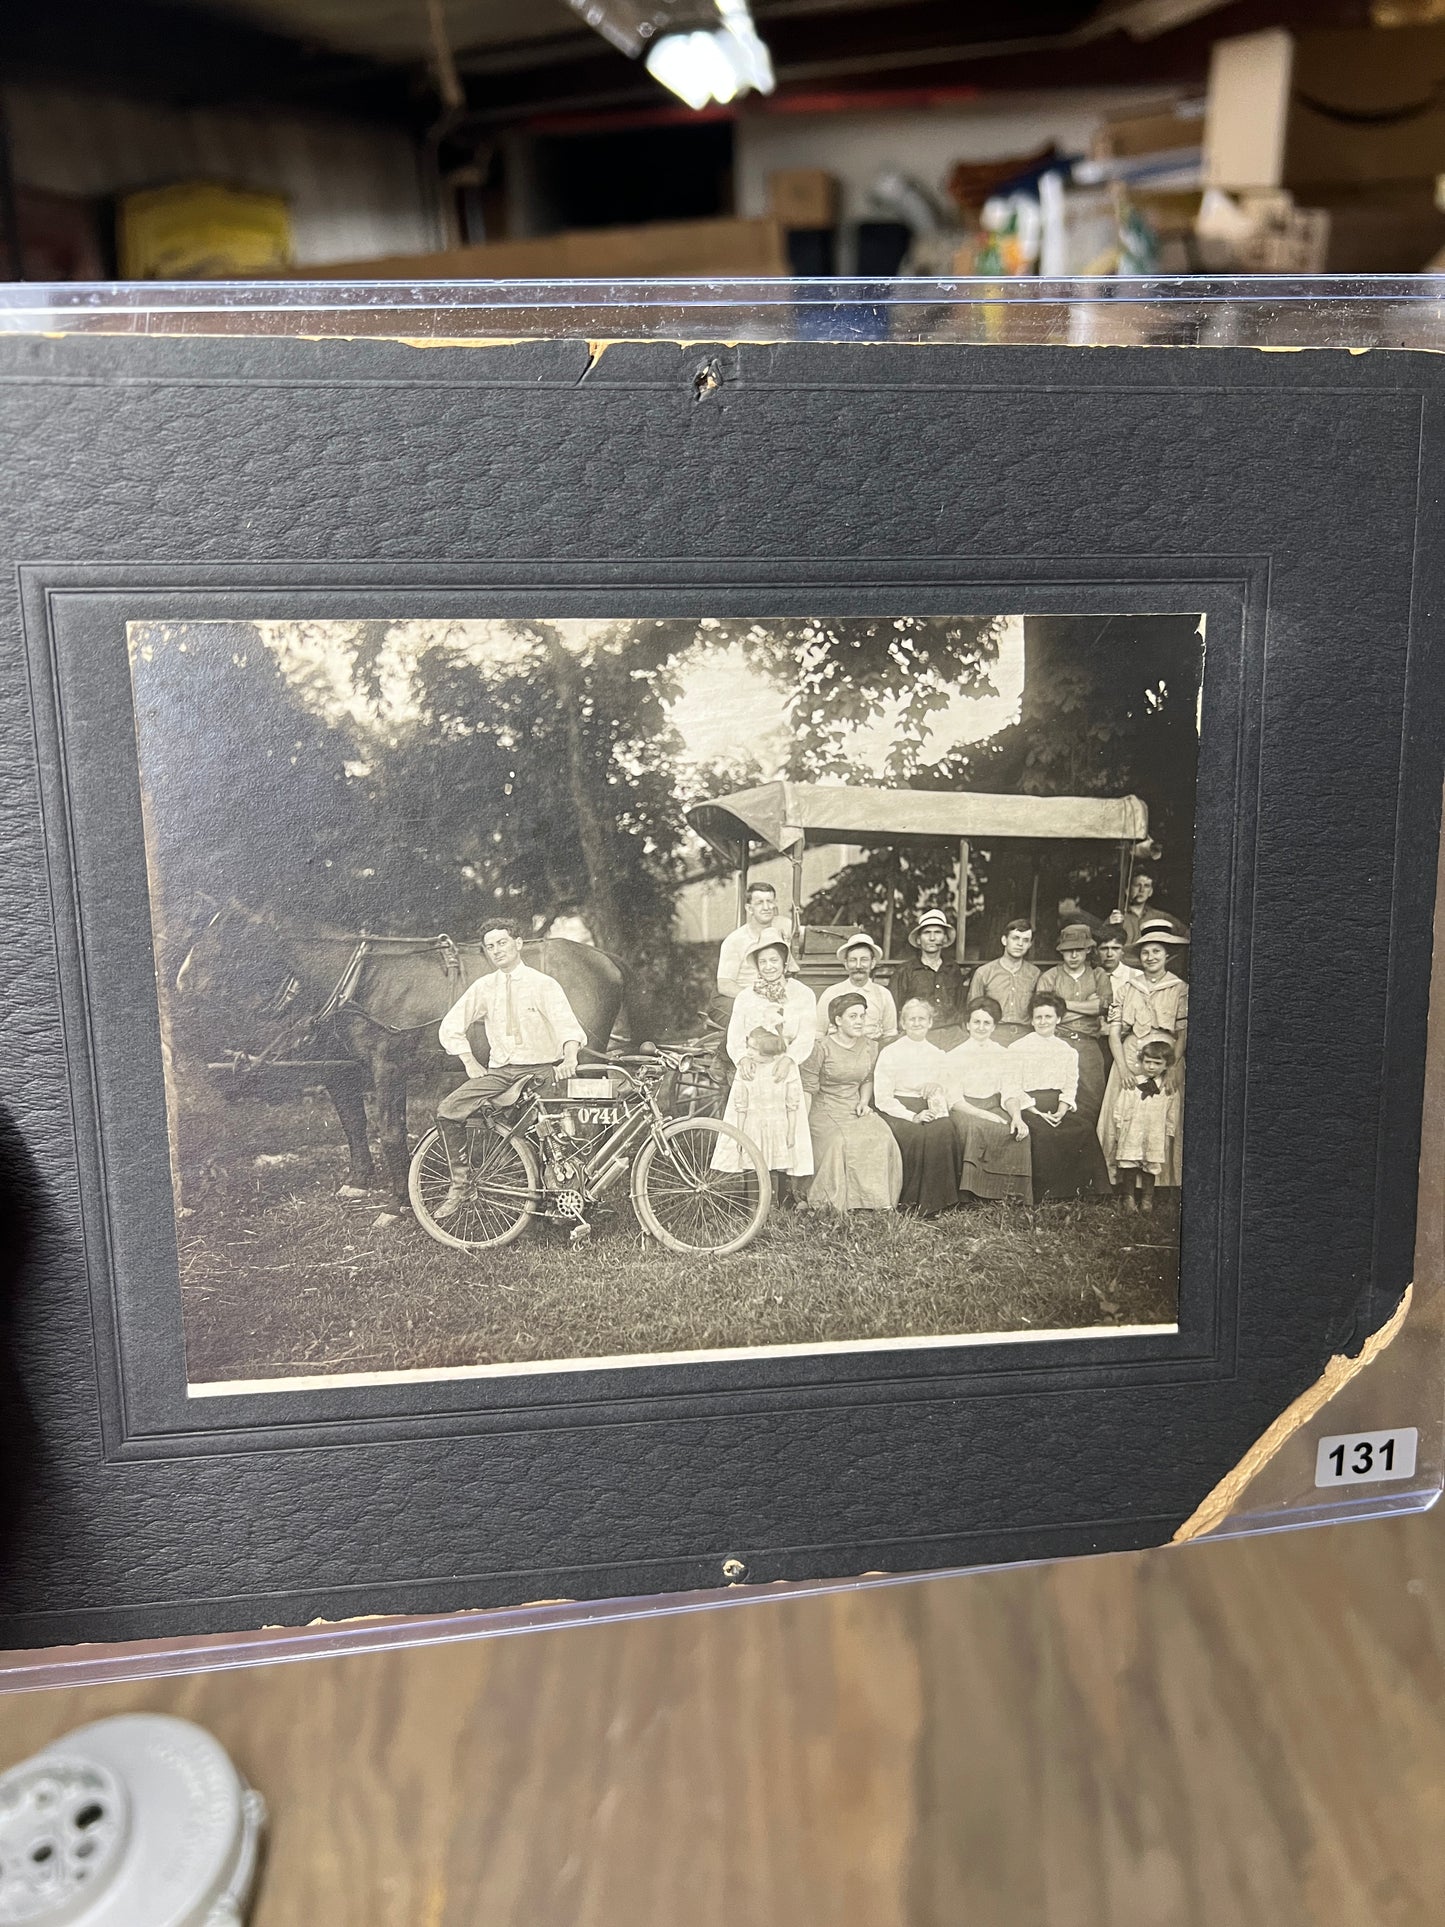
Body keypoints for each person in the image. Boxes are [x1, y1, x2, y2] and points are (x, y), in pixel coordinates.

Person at [435, 921, 587, 1217]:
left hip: (540, 1071)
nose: (496, 951)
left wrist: (569, 1058)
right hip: (501, 1074)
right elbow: (451, 1026)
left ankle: (555, 1205)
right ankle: (461, 1185)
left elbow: (568, 1026)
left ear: (518, 943)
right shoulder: (484, 987)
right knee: (448, 1108)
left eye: (502, 943)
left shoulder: (542, 983)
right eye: (490, 947)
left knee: (547, 1140)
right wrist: (469, 1062)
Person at [1099, 914, 1189, 1191]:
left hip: (1165, 1060)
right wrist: (1123, 1068)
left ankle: (1159, 1183)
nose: (1151, 957)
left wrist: (1173, 1067)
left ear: (1167, 955)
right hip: (1129, 1058)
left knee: (1160, 1116)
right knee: (1122, 1115)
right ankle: (1119, 1181)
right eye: (1146, 952)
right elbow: (1115, 1031)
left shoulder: (1179, 989)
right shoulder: (1128, 987)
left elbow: (1183, 1032)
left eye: (1157, 952)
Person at [799, 992, 902, 1212]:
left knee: (882, 1136)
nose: (859, 1021)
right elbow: (808, 1088)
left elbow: (867, 1078)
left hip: (855, 1105)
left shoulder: (870, 1046)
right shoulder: (819, 1048)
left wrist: (865, 1101)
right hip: (824, 1108)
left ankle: (877, 1201)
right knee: (840, 1141)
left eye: (862, 1016)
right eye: (853, 1016)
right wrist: (801, 1124)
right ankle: (836, 1201)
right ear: (838, 1020)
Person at [1004, 992, 1111, 1203]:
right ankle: (1050, 1195)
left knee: (1083, 1128)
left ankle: (1086, 1192)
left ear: (1058, 1019)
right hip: (1029, 1105)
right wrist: (1036, 1111)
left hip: (1057, 1105)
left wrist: (1062, 1110)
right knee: (1044, 1133)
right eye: (1039, 1017)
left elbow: (1070, 1086)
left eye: (1048, 1017)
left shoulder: (1067, 1051)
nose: (1043, 1022)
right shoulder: (1017, 1048)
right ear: (1032, 1020)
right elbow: (1012, 1087)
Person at [873, 999, 961, 1216]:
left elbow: (950, 1089)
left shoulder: (937, 1054)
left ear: (930, 1023)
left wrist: (937, 1085)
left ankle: (940, 1201)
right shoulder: (891, 1052)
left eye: (922, 1019)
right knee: (916, 1135)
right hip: (898, 1109)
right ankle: (911, 1203)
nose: (917, 1023)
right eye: (911, 1019)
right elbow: (882, 1098)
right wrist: (911, 1115)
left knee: (945, 1129)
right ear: (903, 1023)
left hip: (929, 1107)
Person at [943, 996, 1032, 1204]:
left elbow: (1010, 1091)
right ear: (967, 1024)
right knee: (977, 1129)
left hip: (994, 1105)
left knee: (1016, 1131)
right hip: (965, 1109)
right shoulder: (954, 1056)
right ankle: (973, 1194)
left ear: (994, 1026)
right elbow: (954, 1100)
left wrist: (1017, 1118)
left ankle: (1009, 1194)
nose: (981, 1027)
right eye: (976, 1022)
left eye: (987, 1023)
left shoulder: (1003, 1054)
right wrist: (984, 1114)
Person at [712, 1023, 813, 1198]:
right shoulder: (747, 1071)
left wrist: (790, 1133)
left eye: (753, 1049)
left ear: (768, 1052)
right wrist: (740, 1134)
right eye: (748, 1047)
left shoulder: (784, 1071)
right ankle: (754, 1206)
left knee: (775, 1164)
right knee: (752, 1166)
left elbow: (792, 1107)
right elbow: (741, 1108)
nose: (748, 1052)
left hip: (777, 1127)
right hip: (753, 1127)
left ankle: (774, 1204)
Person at [1035, 921, 1114, 1126]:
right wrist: (1088, 1006)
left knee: (1093, 1099)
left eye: (1079, 950)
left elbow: (1104, 1007)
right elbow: (1043, 1014)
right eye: (1068, 951)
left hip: (1088, 1045)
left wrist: (1062, 1004)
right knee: (1055, 1096)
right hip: (1056, 1042)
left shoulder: (1098, 975)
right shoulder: (1050, 977)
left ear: (1088, 949)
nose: (1073, 956)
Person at [724, 937, 817, 1084]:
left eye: (774, 960)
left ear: (784, 963)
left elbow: (806, 1036)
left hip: (786, 1070)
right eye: (762, 962)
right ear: (757, 965)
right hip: (752, 1071)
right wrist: (742, 1058)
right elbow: (735, 1035)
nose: (768, 967)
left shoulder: (803, 994)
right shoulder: (745, 996)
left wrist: (788, 1060)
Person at [1110, 1039, 1179, 1214]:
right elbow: (1120, 1108)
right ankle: (1128, 1198)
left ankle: (1148, 1199)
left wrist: (1168, 1133)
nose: (1151, 1067)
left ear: (1166, 1065)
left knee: (1151, 1165)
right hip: (1132, 1131)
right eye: (1147, 1062)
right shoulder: (1132, 1084)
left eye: (1157, 1063)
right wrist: (1120, 1128)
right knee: (1129, 1164)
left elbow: (1172, 1113)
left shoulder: (1168, 1088)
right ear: (1141, 1062)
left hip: (1155, 1133)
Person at [892, 908, 968, 1050]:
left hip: (952, 1035)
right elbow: (895, 1006)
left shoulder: (953, 969)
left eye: (937, 933)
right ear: (919, 940)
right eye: (927, 933)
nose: (932, 938)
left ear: (944, 939)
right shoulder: (905, 971)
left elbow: (960, 1004)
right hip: (919, 1034)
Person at [967, 919, 1040, 1045]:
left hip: (1026, 1036)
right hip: (993, 1035)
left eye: (1025, 940)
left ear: (1030, 945)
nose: (1020, 944)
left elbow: (1041, 1010)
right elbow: (973, 1010)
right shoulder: (984, 972)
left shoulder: (1035, 974)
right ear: (1004, 940)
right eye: (1015, 938)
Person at [816, 933, 899, 1044]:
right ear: (846, 964)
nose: (858, 966)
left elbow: (890, 1034)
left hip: (871, 1054)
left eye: (864, 960)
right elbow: (818, 1033)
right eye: (853, 960)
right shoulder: (831, 993)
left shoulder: (883, 994)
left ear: (872, 963)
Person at [1096, 929, 1142, 1010]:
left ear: (1122, 951)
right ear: (1096, 951)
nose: (1109, 954)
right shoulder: (1090, 975)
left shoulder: (1137, 976)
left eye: (1115, 948)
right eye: (1104, 949)